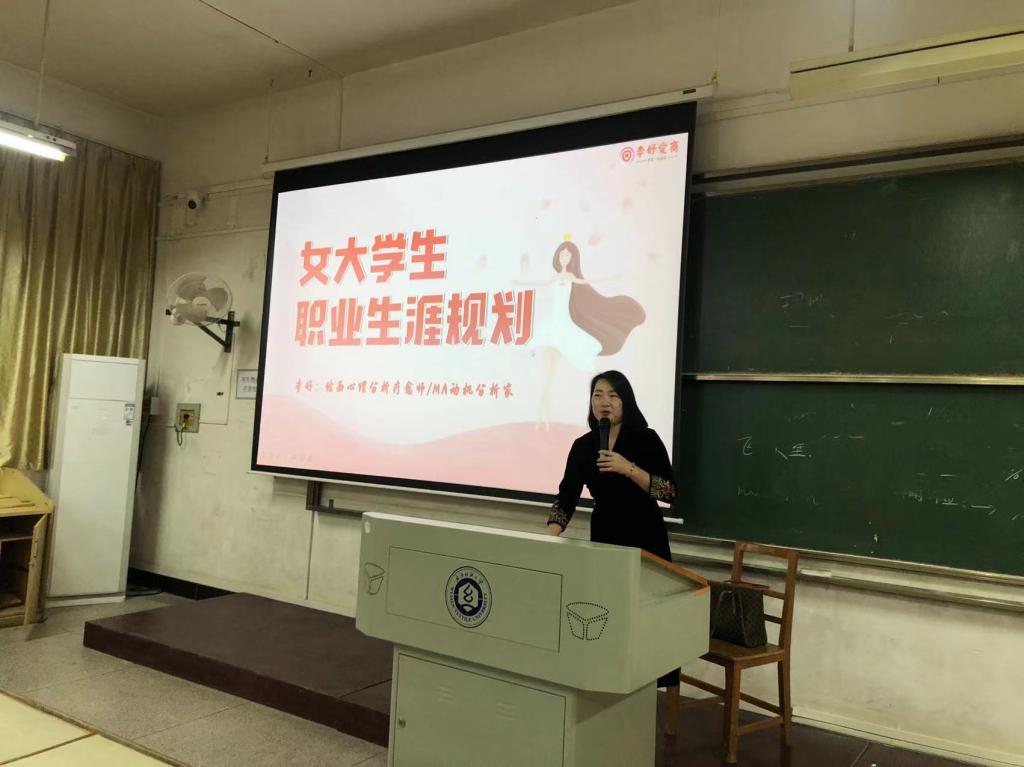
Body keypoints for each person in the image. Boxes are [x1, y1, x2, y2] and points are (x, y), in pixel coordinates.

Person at [546, 369, 681, 733]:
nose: (604, 402)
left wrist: (628, 468)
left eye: (612, 395)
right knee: (610, 618)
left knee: (650, 622)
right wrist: (550, 536)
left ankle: (657, 706)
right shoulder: (584, 446)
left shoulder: (646, 439)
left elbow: (670, 492)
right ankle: (610, 699)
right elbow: (567, 496)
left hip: (645, 536)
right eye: (597, 395)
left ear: (626, 401)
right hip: (605, 536)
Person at [519, 237, 646, 429]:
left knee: (550, 377)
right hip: (552, 327)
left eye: (567, 255)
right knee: (547, 378)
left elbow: (589, 281)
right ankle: (542, 419)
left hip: (563, 327)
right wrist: (520, 282)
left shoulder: (571, 278)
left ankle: (542, 419)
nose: (564, 257)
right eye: (562, 254)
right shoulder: (555, 277)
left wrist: (612, 278)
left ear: (572, 258)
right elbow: (540, 284)